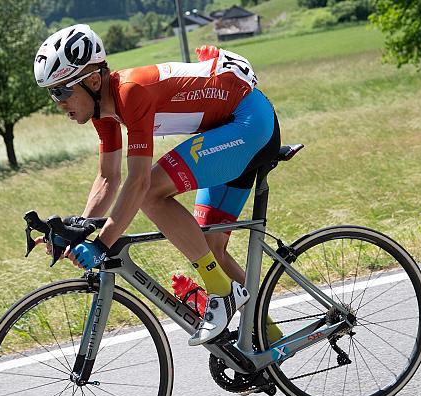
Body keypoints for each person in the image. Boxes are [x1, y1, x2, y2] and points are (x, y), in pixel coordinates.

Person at [33, 24, 282, 346]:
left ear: (93, 81)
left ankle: (221, 292)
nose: (58, 102)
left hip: (248, 124)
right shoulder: (102, 112)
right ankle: (269, 344)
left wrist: (102, 244)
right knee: (212, 248)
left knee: (151, 192)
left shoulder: (131, 92)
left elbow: (138, 182)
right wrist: (79, 229)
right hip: (227, 129)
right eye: (53, 93)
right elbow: (109, 177)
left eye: (62, 91)